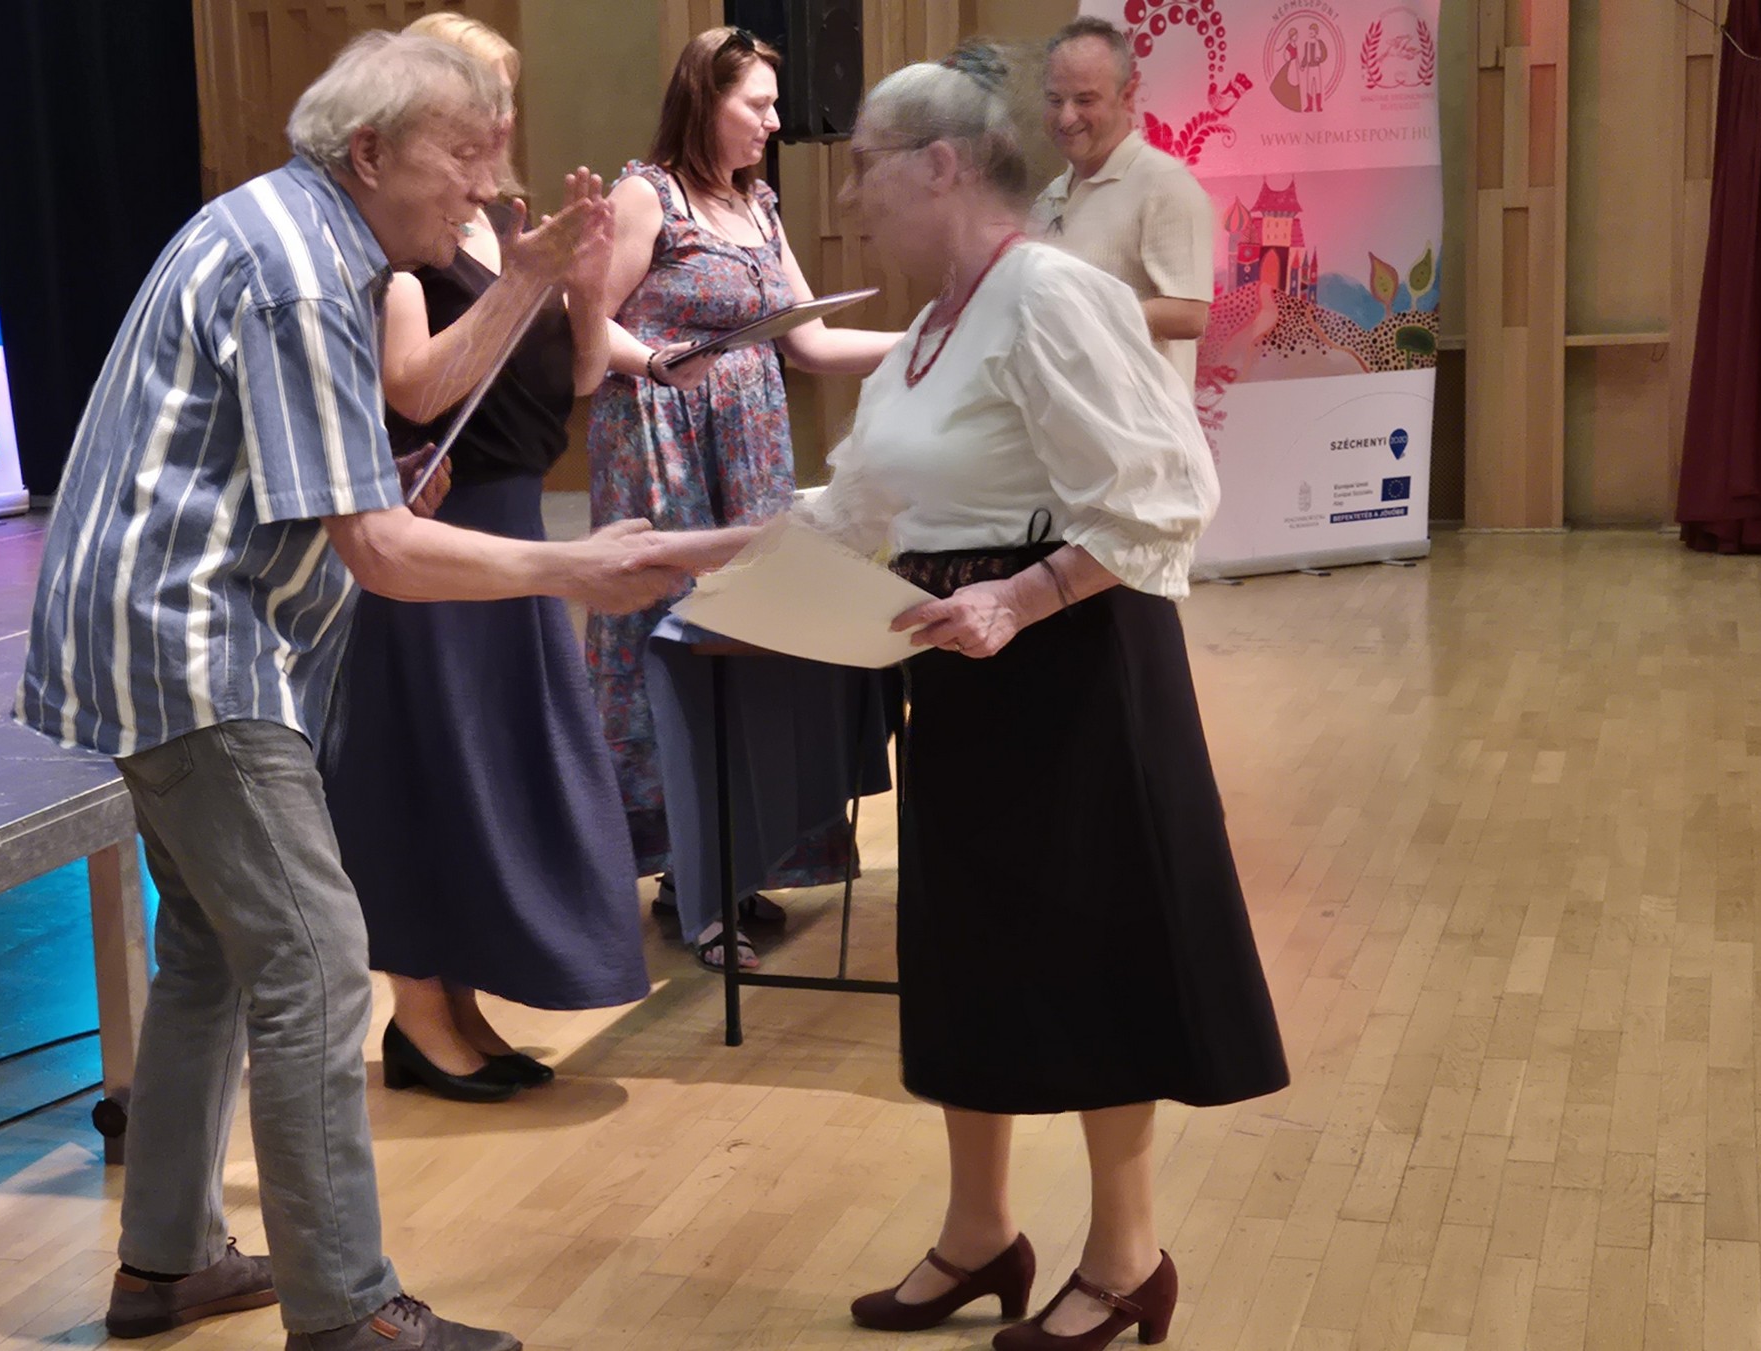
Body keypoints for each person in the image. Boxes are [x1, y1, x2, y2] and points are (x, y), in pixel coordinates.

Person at [14, 31, 680, 1351]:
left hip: (164, 633)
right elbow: (377, 548)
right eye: (466, 153)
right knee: (318, 963)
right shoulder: (300, 271)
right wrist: (572, 565)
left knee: (212, 951)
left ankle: (166, 1262)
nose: (489, 185)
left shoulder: (300, 231)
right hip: (193, 648)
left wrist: (528, 278)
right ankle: (347, 1311)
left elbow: (352, 440)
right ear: (369, 151)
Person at [636, 46, 1289, 1351]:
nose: (847, 195)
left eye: (867, 166)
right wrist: (682, 557)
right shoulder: (939, 323)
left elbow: (1168, 492)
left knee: (1096, 949)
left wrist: (1021, 598)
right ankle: (980, 1231)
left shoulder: (1051, 293)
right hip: (962, 663)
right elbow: (864, 504)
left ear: (941, 165)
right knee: (969, 948)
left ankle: (1127, 1257)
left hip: (1075, 659)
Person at [321, 11, 649, 1106]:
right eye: (475, 102)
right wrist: (525, 281)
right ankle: (420, 1016)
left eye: (501, 98)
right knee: (430, 776)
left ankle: (459, 1007)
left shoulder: (504, 233)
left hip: (512, 529)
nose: (498, 124)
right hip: (436, 546)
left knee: (493, 780)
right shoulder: (404, 255)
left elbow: (582, 379)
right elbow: (415, 391)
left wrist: (585, 285)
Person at [587, 25, 901, 970]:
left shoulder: (757, 205)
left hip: (749, 446)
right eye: (756, 104)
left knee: (750, 641)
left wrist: (929, 338)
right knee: (676, 645)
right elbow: (582, 322)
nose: (772, 121)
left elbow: (808, 344)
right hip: (665, 447)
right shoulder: (647, 195)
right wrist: (657, 362)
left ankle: (726, 862)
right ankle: (687, 877)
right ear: (704, 99)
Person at [1028, 18, 1213, 390]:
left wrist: (1083, 315)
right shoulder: (1049, 196)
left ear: (1127, 96)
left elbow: (1190, 315)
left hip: (1140, 425)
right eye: (1054, 100)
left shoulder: (1165, 185)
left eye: (1085, 100)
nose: (1066, 117)